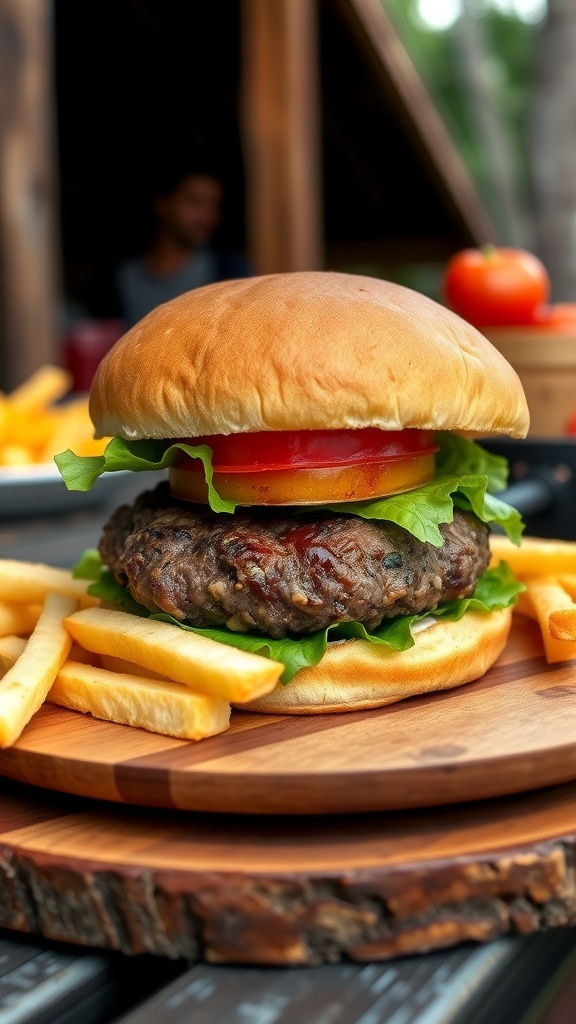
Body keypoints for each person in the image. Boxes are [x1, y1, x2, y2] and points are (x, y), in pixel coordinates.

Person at [114, 164, 252, 327]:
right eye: (195, 203)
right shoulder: (125, 276)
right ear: (163, 204)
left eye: (213, 205)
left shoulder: (230, 269)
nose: (206, 217)